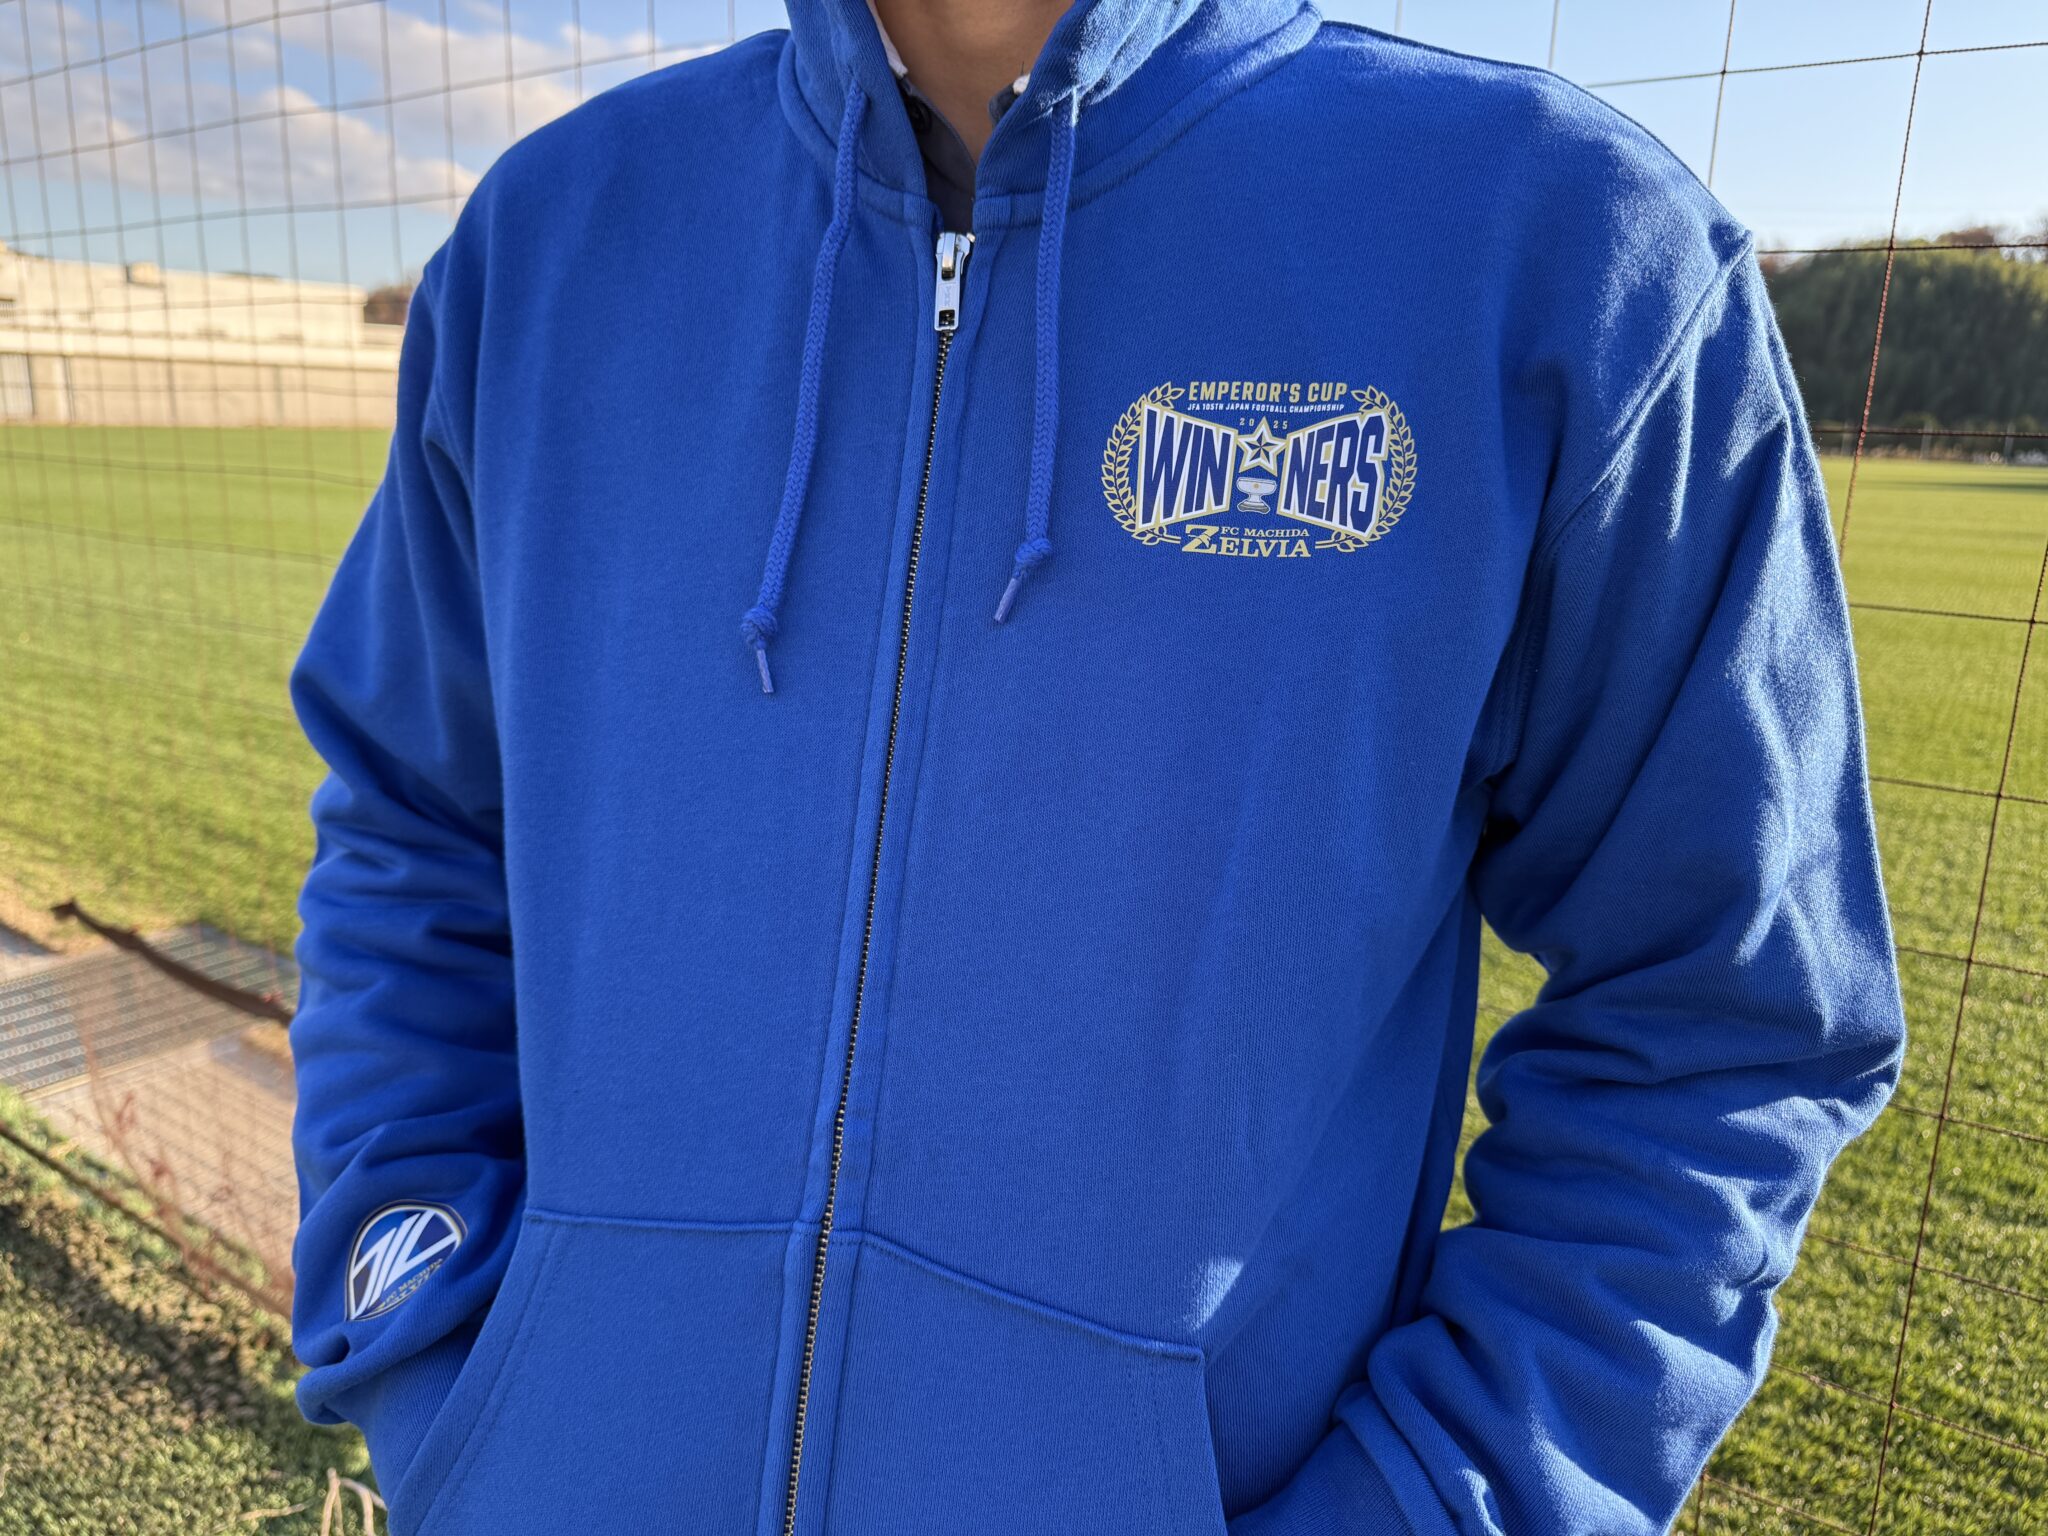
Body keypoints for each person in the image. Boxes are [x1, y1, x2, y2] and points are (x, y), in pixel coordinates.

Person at [284, 0, 1909, 1531]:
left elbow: (1717, 1018)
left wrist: (1423, 1501)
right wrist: (432, 1351)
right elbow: (414, 826)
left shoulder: (1557, 249)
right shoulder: (550, 241)